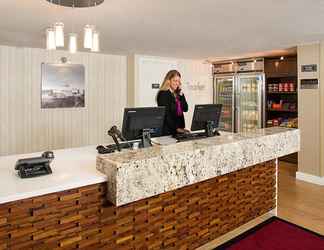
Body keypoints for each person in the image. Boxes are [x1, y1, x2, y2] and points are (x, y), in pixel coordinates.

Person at [156, 70, 189, 136]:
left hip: (179, 129)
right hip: (168, 130)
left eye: (178, 81)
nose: (177, 83)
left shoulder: (178, 93)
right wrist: (176, 129)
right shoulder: (163, 94)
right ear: (168, 81)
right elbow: (166, 115)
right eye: (175, 81)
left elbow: (185, 108)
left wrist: (181, 94)